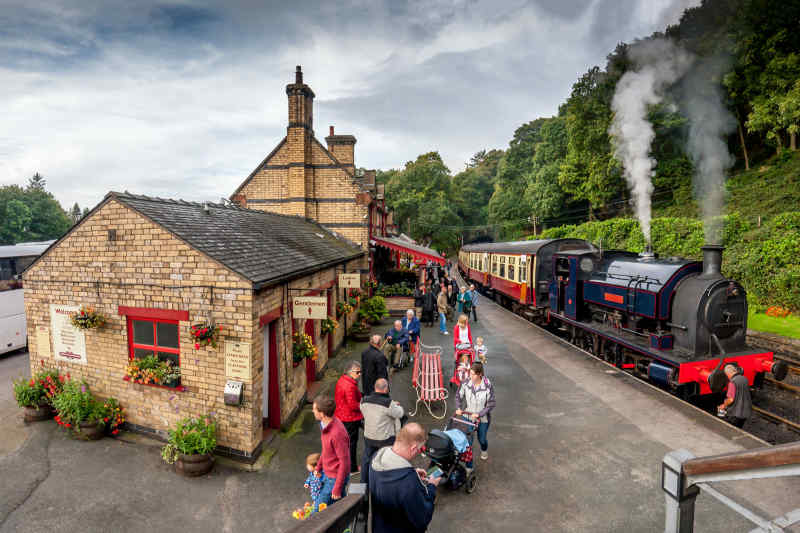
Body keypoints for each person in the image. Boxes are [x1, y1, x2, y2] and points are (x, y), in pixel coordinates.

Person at [369, 423, 441, 533]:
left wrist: (413, 472)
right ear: (413, 448)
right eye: (420, 450)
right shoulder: (407, 482)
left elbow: (391, 475)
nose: (418, 453)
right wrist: (431, 486)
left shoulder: (377, 457)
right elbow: (422, 519)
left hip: (379, 525)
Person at [360, 378, 405, 485]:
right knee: (387, 460)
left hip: (369, 436)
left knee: (366, 458)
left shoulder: (364, 400)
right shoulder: (388, 403)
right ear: (386, 389)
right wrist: (396, 405)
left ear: (375, 388)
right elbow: (400, 414)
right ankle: (385, 482)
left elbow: (366, 410)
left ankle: (363, 482)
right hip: (385, 439)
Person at [311, 395, 350, 511]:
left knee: (316, 512)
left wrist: (337, 487)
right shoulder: (325, 425)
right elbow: (327, 450)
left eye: (314, 409)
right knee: (339, 508)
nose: (312, 411)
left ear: (322, 414)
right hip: (329, 474)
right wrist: (318, 467)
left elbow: (345, 462)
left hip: (335, 478)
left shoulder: (337, 433)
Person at [455, 362, 495, 464]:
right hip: (468, 417)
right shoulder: (465, 383)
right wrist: (458, 407)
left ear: (480, 374)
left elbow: (491, 403)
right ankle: (469, 467)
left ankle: (484, 449)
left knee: (482, 440)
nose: (470, 376)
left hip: (482, 418)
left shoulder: (487, 386)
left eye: (473, 374)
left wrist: (480, 414)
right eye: (470, 373)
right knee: (468, 443)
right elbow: (458, 396)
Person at [334, 361, 363, 475]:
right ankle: (352, 469)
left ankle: (342, 464)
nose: (360, 374)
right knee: (352, 443)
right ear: (350, 372)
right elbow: (353, 405)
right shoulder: (350, 386)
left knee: (344, 443)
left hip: (341, 416)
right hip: (350, 418)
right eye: (358, 372)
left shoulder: (342, 380)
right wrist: (363, 407)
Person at [717, 363, 752, 428]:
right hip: (746, 411)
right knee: (739, 427)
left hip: (736, 413)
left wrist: (723, 406)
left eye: (727, 375)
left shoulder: (733, 382)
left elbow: (730, 399)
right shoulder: (745, 379)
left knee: (730, 428)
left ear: (728, 373)